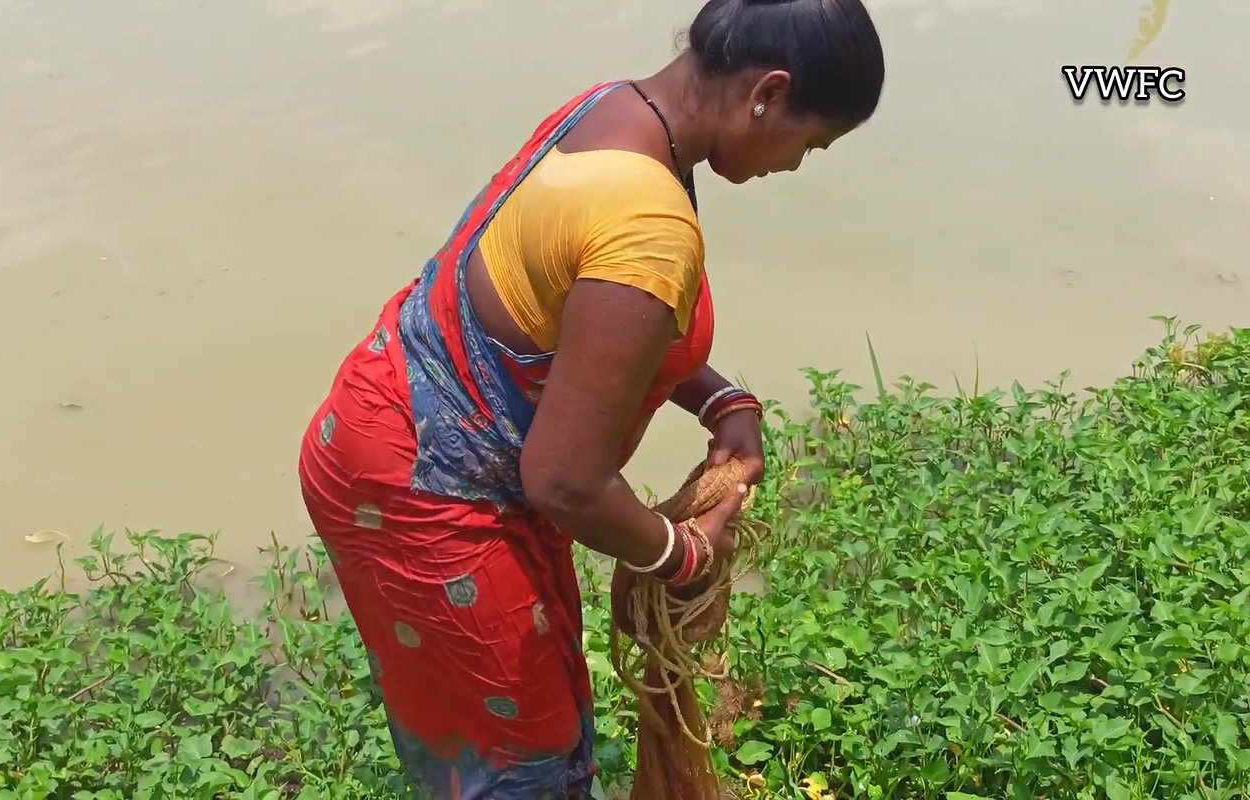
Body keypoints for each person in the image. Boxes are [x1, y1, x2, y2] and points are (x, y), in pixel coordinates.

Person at [296, 0, 884, 796]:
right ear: (768, 94)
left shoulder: (614, 112)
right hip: (423, 486)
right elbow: (566, 481)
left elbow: (570, 314)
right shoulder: (647, 221)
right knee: (522, 761)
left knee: (516, 720)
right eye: (810, 142)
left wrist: (720, 399)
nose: (795, 164)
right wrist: (685, 555)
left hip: (388, 420)